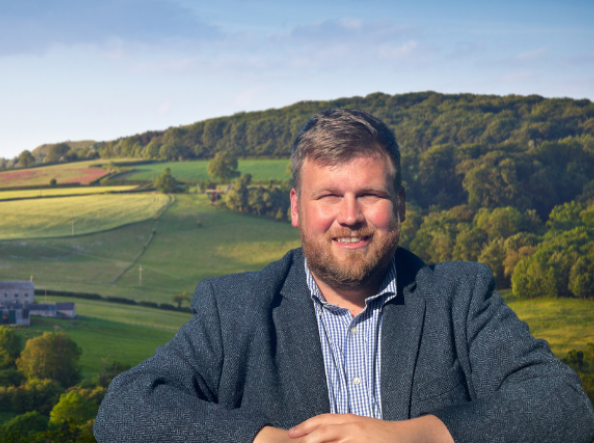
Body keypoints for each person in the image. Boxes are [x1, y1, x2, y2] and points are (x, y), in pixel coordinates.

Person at [94, 109, 594, 443]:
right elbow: (125, 409)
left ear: (398, 206)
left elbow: (564, 407)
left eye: (370, 195)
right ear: (296, 208)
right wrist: (258, 439)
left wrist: (413, 436)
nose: (349, 216)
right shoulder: (236, 308)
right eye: (329, 196)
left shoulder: (458, 297)